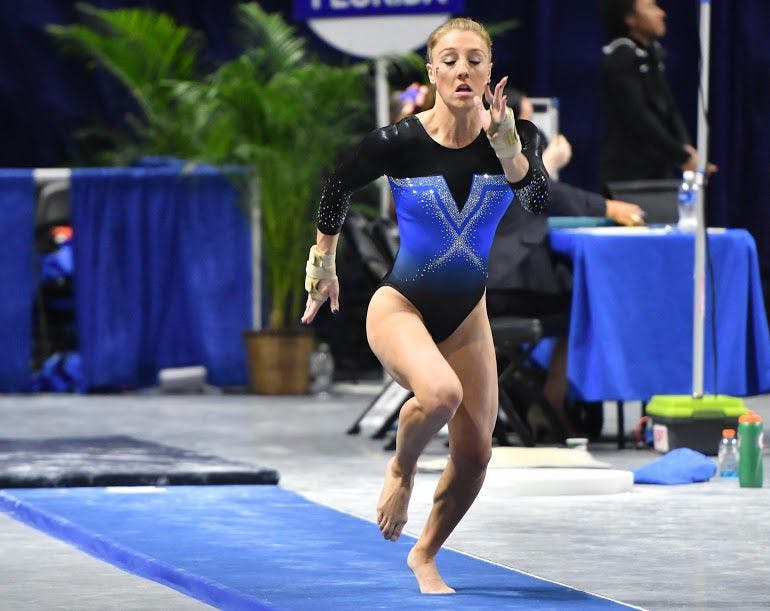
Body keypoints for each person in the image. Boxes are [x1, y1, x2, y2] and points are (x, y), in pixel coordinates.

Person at [300, 18, 549, 594]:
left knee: (477, 452)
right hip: (402, 306)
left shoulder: (516, 134)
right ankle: (401, 468)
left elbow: (536, 199)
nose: (463, 70)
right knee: (439, 394)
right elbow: (337, 186)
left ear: (490, 71)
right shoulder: (399, 142)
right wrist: (322, 266)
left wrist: (508, 146)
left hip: (468, 315)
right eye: (450, 60)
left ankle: (426, 553)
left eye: (475, 60)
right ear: (432, 72)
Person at [487, 89, 644, 438]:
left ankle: (532, 389)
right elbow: (546, 192)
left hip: (480, 281)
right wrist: (609, 206)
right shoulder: (499, 151)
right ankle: (554, 393)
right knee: (585, 306)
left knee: (571, 297)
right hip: (505, 281)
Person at [597, 0, 716, 189]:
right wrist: (682, 156)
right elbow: (640, 117)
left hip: (658, 169)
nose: (661, 13)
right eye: (651, 7)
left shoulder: (653, 54)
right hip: (628, 175)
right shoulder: (621, 58)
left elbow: (668, 107)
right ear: (630, 18)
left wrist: (685, 146)